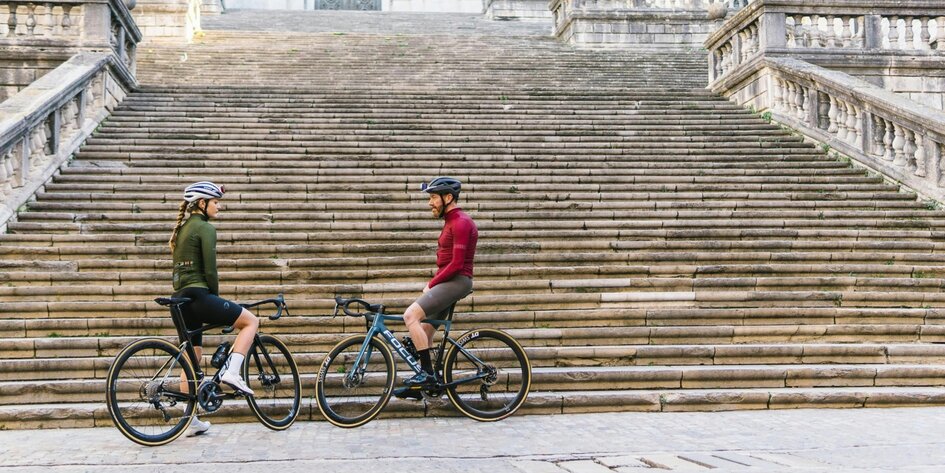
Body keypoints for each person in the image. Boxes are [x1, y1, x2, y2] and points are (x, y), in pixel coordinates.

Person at [169, 181, 259, 435]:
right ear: (202, 203)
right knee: (250, 322)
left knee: (192, 358)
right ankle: (232, 372)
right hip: (199, 296)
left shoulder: (183, 228)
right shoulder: (205, 228)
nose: (218, 206)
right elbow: (210, 270)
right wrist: (218, 301)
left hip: (180, 299)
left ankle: (189, 420)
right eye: (215, 202)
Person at [394, 177, 478, 400]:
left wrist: (432, 283)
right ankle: (423, 389)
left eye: (433, 197)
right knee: (425, 332)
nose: (430, 203)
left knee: (410, 315)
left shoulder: (460, 222)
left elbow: (457, 264)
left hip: (457, 281)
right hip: (450, 281)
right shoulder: (451, 221)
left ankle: (427, 376)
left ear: (448, 197)